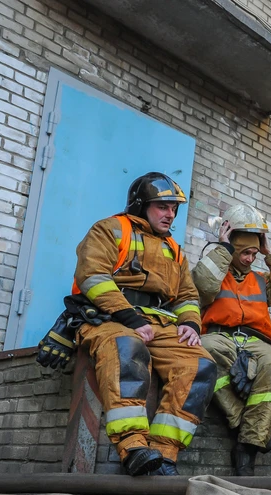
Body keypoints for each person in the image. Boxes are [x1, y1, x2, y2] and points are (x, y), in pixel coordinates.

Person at [70, 172, 216, 476]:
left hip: (159, 324)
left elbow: (187, 294)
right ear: (140, 205)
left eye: (174, 208)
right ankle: (133, 447)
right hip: (109, 318)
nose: (171, 214)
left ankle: (164, 456)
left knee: (201, 365)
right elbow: (92, 277)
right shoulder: (110, 229)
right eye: (163, 206)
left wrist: (190, 323)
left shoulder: (174, 249)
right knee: (127, 348)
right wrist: (130, 318)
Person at [191, 204, 271, 476]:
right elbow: (202, 285)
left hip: (257, 342)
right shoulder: (215, 272)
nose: (251, 258)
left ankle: (247, 448)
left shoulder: (262, 280)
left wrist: (270, 253)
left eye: (254, 253)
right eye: (245, 253)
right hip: (218, 336)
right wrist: (223, 249)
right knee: (203, 351)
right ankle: (244, 424)